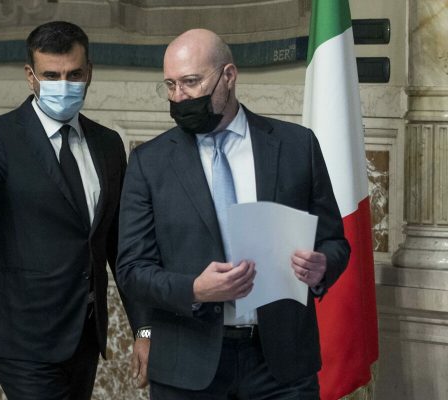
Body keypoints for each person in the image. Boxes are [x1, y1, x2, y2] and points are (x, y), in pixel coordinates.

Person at [116, 29, 351, 399]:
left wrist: (323, 266)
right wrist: (195, 289)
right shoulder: (150, 162)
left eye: (191, 82)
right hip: (187, 365)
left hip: (281, 365)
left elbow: (334, 241)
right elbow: (132, 270)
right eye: (171, 85)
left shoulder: (295, 146)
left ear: (228, 75)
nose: (180, 97)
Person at [0, 21, 144, 400]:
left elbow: (120, 246)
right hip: (21, 333)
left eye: (74, 74)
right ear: (31, 76)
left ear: (89, 72)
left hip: (84, 331)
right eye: (51, 75)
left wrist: (144, 328)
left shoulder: (108, 144)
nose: (64, 84)